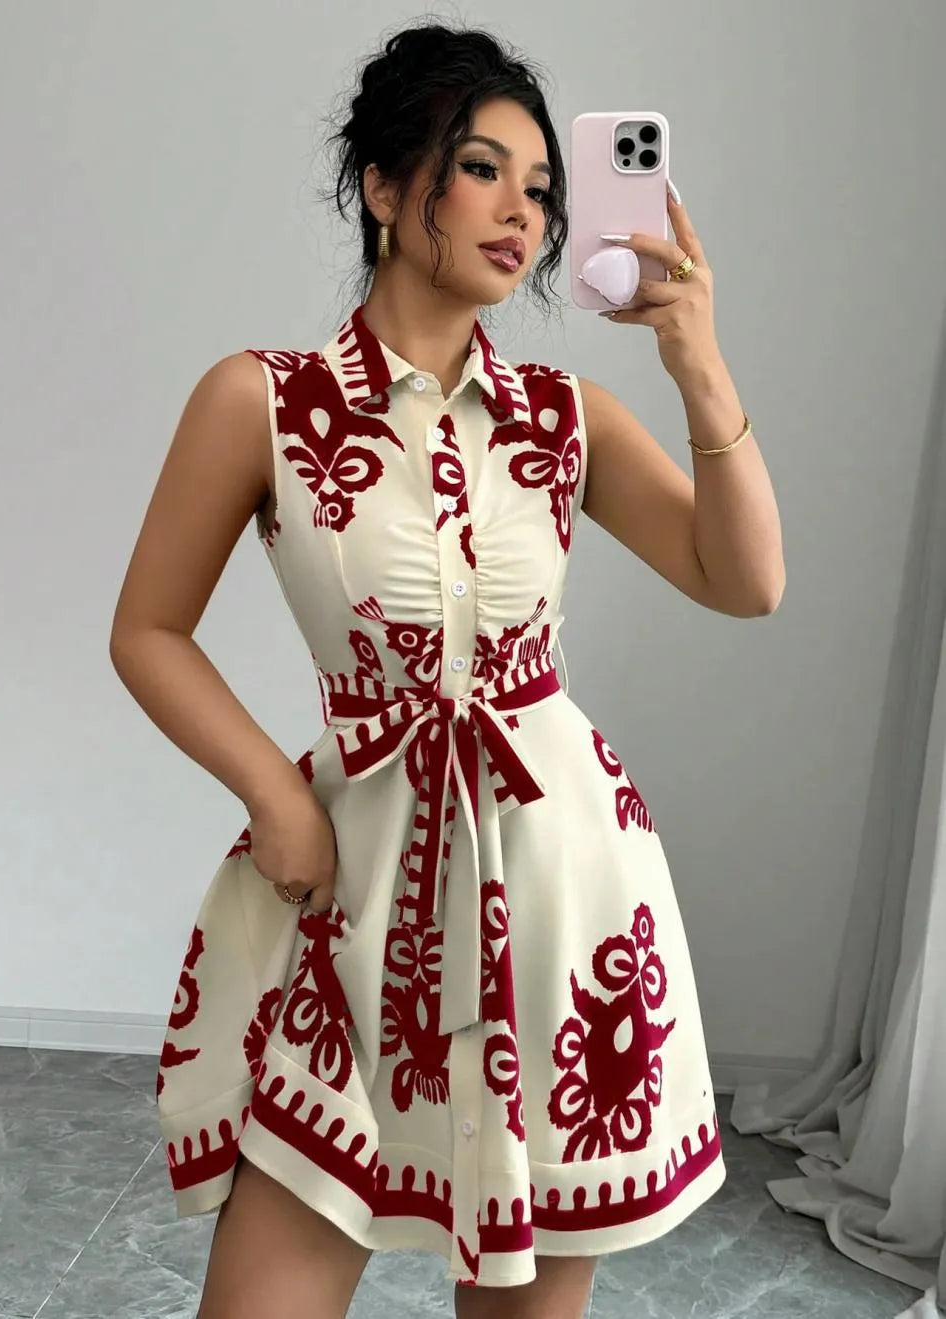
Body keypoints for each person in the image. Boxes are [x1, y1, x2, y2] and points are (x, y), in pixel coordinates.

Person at [109, 20, 783, 1319]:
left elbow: (744, 581)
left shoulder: (567, 419)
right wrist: (275, 793)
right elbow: (148, 629)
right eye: (482, 169)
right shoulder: (262, 401)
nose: (522, 211)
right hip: (360, 896)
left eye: (542, 187)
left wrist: (696, 359)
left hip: (562, 897)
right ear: (381, 184)